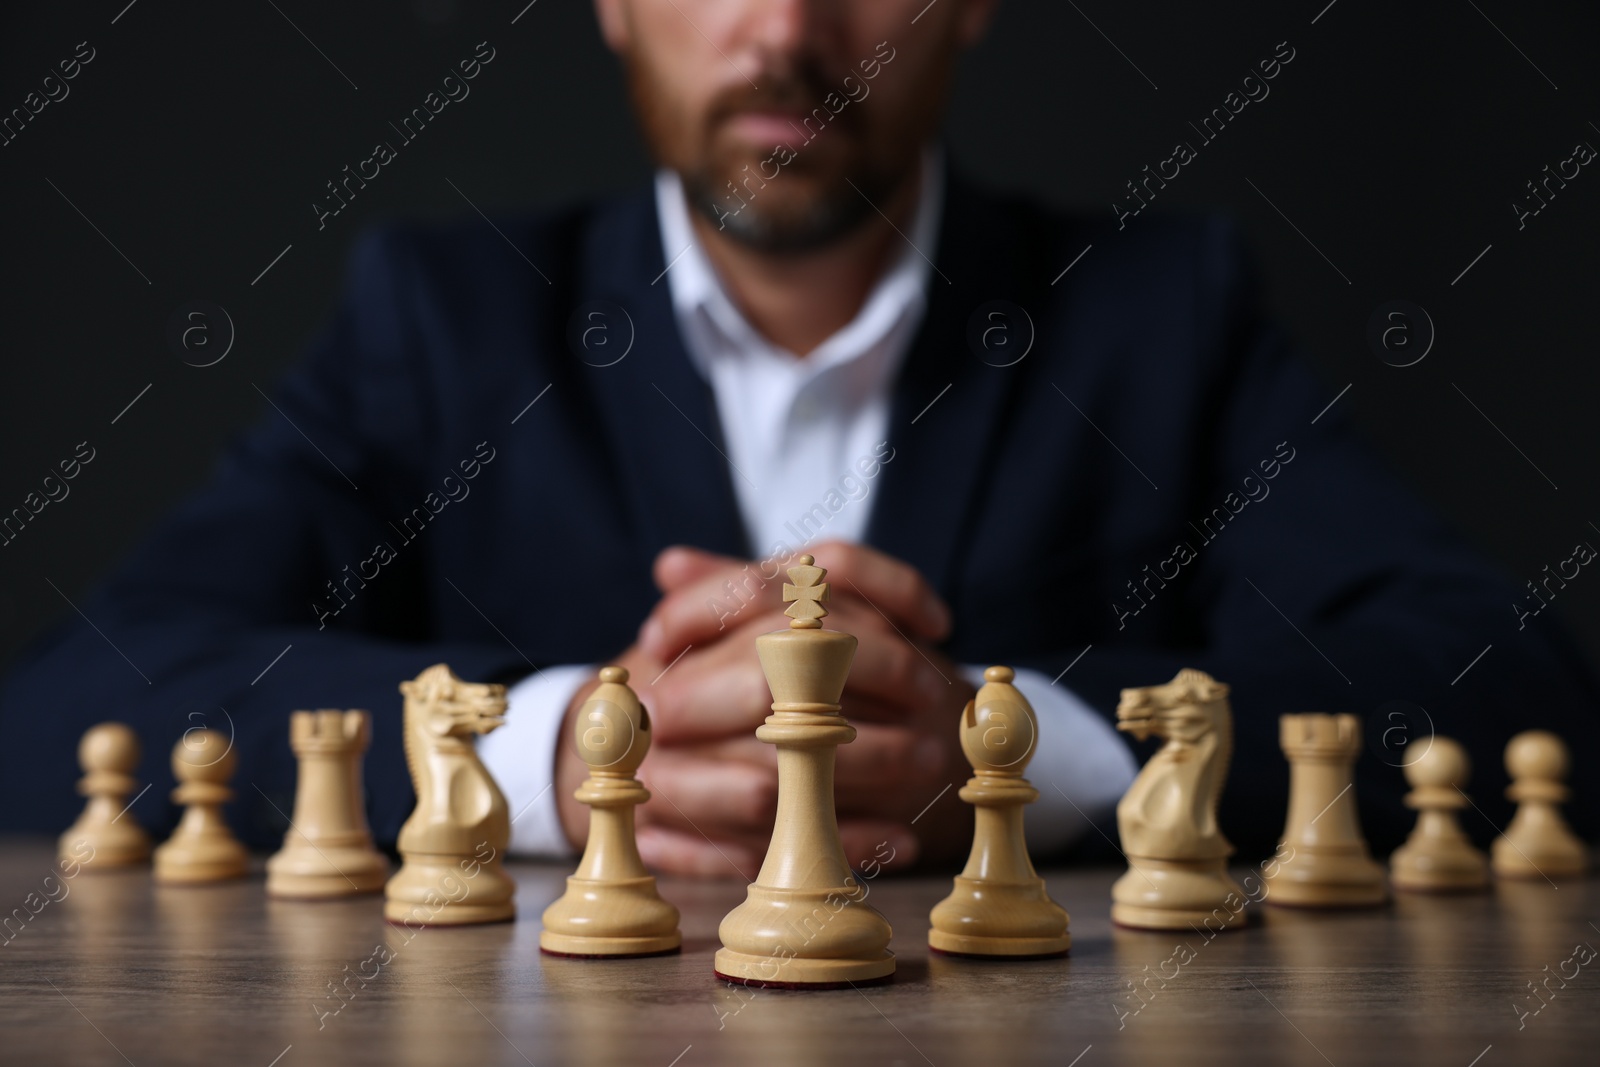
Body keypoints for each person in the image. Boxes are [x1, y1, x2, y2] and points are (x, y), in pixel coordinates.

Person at [4, 0, 1596, 876]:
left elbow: (1514, 692)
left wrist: (1022, 751)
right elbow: (71, 704)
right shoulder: (440, 315)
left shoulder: (1160, 311)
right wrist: (560, 754)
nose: (783, 26)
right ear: (617, 6)